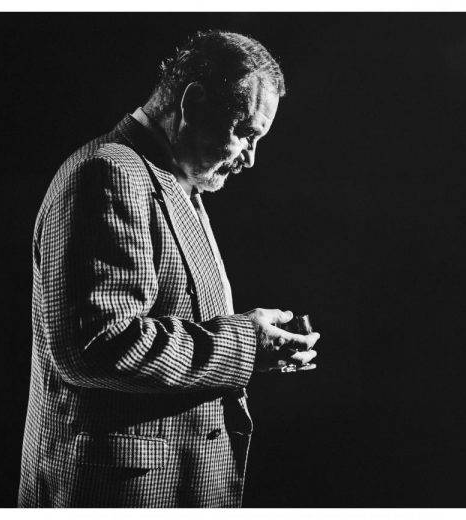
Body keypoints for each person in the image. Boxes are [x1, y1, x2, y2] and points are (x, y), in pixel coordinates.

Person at [18, 30, 321, 508]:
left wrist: (257, 342)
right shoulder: (109, 172)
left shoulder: (173, 185)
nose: (250, 158)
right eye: (245, 133)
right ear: (193, 103)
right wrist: (246, 343)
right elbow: (94, 347)